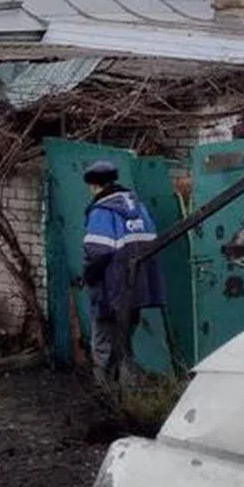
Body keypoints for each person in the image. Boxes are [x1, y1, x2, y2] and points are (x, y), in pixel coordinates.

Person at [82, 161, 165, 388]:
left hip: (110, 289)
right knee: (124, 338)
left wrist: (88, 276)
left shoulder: (102, 211)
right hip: (137, 287)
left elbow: (98, 251)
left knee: (103, 341)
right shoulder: (139, 207)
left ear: (92, 185)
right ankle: (128, 389)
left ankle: (107, 394)